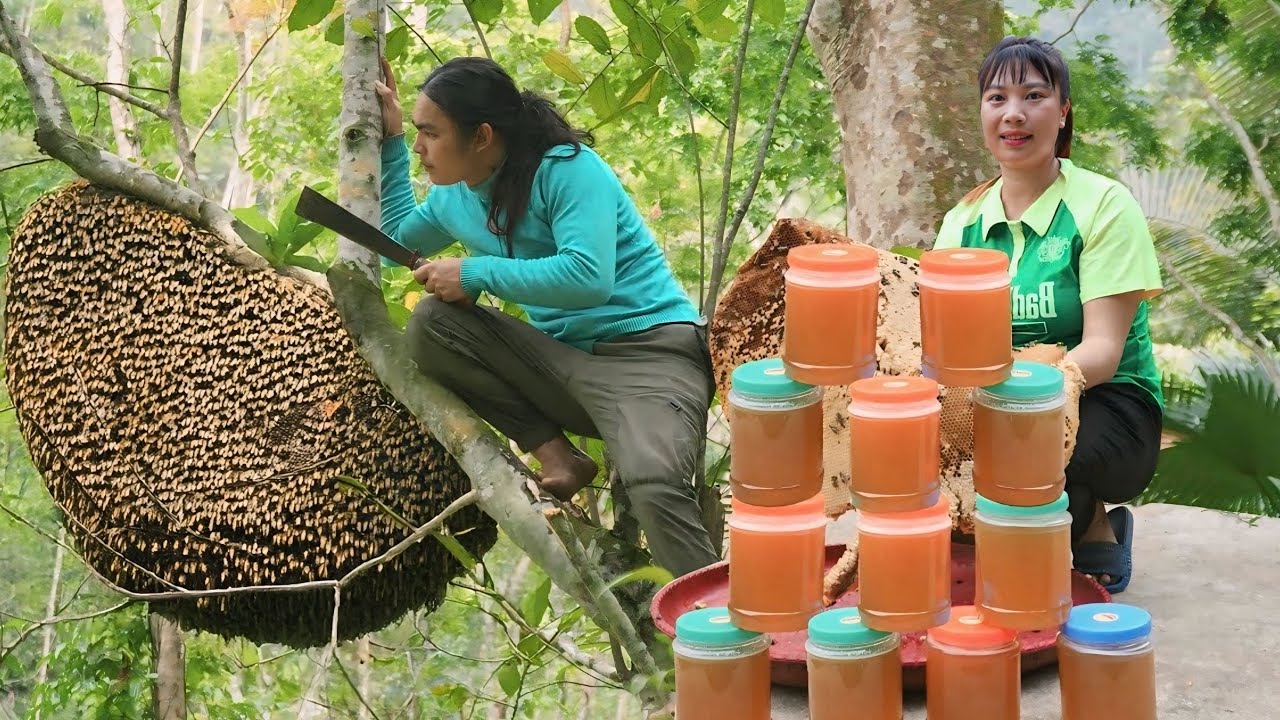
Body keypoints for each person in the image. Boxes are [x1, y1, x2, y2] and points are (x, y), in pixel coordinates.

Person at [372, 56, 721, 578]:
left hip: (652, 358)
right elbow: (392, 242)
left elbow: (587, 276)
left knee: (653, 483)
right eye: (418, 133)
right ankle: (557, 455)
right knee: (431, 325)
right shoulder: (452, 198)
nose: (421, 146)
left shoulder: (568, 168)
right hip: (564, 367)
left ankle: (734, 638)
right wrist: (391, 142)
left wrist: (475, 273)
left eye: (430, 134)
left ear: (482, 136)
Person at [932, 36, 1164, 593]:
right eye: (997, 98)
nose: (1014, 114)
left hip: (1110, 401)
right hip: (995, 401)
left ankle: (1092, 524)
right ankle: (1049, 520)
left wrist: (1016, 417)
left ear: (1062, 112)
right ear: (982, 113)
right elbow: (942, 349)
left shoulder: (1103, 205)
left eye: (1034, 96)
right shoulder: (960, 223)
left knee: (1027, 458)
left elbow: (1103, 353)